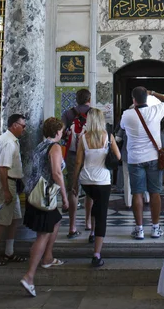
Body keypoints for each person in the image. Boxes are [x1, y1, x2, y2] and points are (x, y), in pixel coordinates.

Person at [21, 117, 68, 297]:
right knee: (43, 234)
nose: (62, 133)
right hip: (45, 195)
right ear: (57, 132)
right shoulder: (54, 147)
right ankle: (29, 276)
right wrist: (64, 197)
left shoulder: (40, 146)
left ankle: (48, 258)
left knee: (55, 221)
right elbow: (56, 173)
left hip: (34, 192)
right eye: (61, 131)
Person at [120, 86, 164, 240]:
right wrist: (153, 93)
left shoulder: (127, 114)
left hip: (135, 159)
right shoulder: (155, 111)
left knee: (137, 193)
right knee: (155, 192)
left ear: (133, 99)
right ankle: (156, 228)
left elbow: (122, 128)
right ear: (146, 98)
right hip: (153, 158)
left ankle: (139, 229)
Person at [73, 108, 121, 266]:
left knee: (94, 204)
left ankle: (92, 232)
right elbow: (118, 156)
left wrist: (74, 182)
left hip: (86, 180)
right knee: (102, 215)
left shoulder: (83, 138)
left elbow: (78, 162)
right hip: (102, 181)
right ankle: (96, 254)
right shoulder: (108, 137)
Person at [0, 114, 27, 266]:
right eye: (23, 125)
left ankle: (9, 252)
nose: (24, 129)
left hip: (10, 183)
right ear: (14, 125)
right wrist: (7, 191)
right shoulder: (8, 143)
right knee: (2, 221)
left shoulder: (9, 140)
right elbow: (3, 169)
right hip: (5, 184)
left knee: (14, 219)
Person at [61, 88, 93, 239]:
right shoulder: (94, 113)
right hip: (90, 155)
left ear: (76, 99)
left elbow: (60, 135)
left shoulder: (68, 114)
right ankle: (88, 222)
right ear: (89, 99)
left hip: (73, 155)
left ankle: (72, 226)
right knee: (90, 190)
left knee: (73, 189)